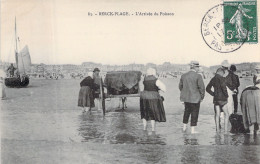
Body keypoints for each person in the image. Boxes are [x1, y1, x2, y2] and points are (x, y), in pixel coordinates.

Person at [179, 61, 205, 134]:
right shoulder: (198, 76)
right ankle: (193, 130)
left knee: (186, 112)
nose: (198, 69)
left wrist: (184, 92)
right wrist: (202, 97)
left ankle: (184, 128)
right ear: (195, 67)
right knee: (194, 113)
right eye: (198, 67)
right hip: (195, 98)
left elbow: (180, 87)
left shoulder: (183, 76)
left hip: (186, 98)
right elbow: (202, 88)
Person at [140, 67, 166, 132]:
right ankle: (153, 129)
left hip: (144, 97)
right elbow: (164, 89)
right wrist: (158, 89)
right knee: (152, 113)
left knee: (144, 113)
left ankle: (144, 128)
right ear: (153, 73)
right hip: (153, 98)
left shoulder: (144, 79)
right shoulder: (156, 80)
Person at [206, 68, 229, 133]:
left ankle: (217, 130)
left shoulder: (213, 79)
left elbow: (207, 88)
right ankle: (225, 131)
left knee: (217, 114)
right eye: (223, 73)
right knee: (226, 114)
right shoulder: (222, 78)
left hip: (216, 99)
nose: (223, 75)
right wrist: (227, 95)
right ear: (221, 72)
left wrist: (213, 94)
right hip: (222, 99)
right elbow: (224, 88)